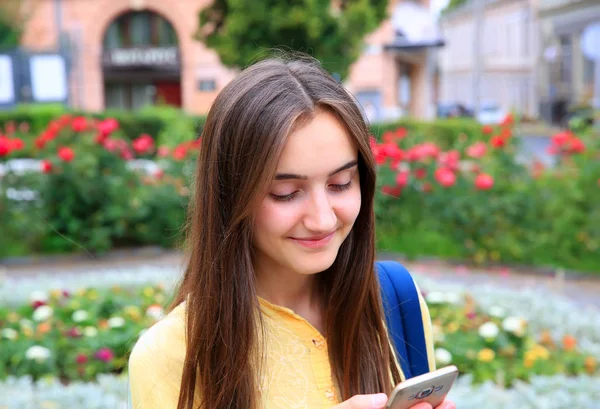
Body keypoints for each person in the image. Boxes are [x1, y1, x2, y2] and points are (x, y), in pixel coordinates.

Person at [128, 54, 456, 409]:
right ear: (230, 196)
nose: (323, 220)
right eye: (285, 193)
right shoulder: (170, 355)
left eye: (341, 183)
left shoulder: (394, 301)